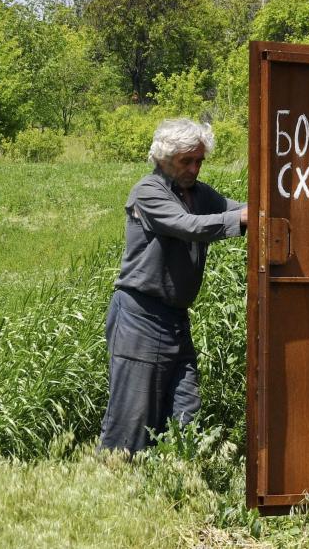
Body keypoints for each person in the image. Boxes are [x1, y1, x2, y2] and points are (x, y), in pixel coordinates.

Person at [98, 117, 247, 453]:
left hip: (175, 320)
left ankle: (172, 486)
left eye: (199, 161)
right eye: (187, 161)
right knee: (130, 423)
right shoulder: (149, 192)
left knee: (185, 414)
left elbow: (239, 210)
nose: (195, 168)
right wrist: (240, 219)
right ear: (164, 158)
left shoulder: (195, 193)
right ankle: (113, 487)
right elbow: (188, 226)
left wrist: (278, 207)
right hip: (140, 316)